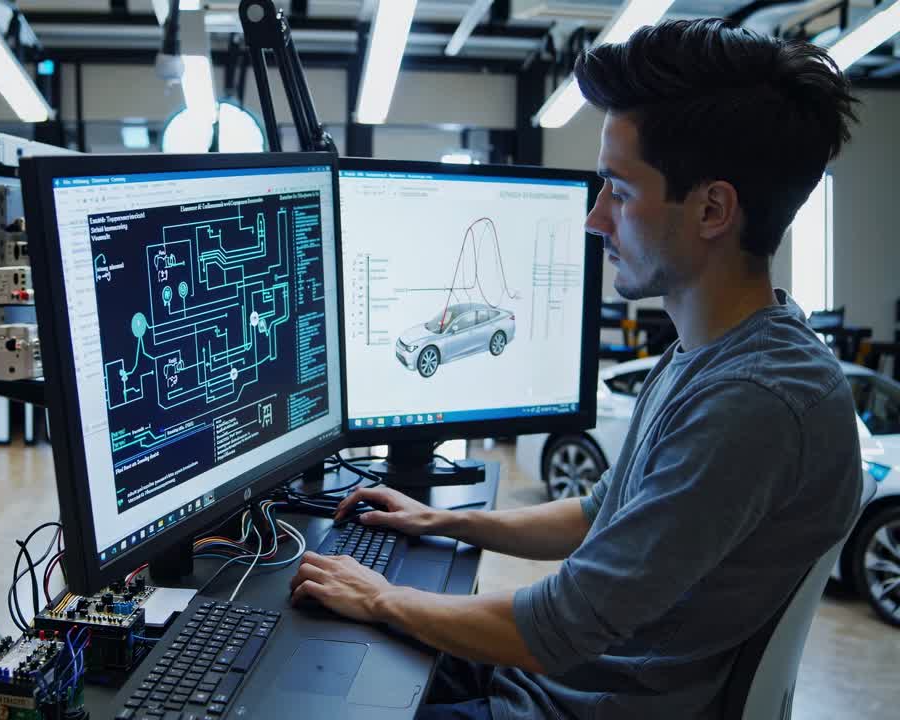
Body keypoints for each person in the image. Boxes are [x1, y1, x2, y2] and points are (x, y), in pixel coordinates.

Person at [288, 18, 862, 719]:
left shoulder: (754, 402)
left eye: (618, 191)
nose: (595, 220)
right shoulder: (710, 355)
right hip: (558, 681)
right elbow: (597, 517)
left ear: (713, 208)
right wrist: (443, 522)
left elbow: (556, 626)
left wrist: (381, 595)